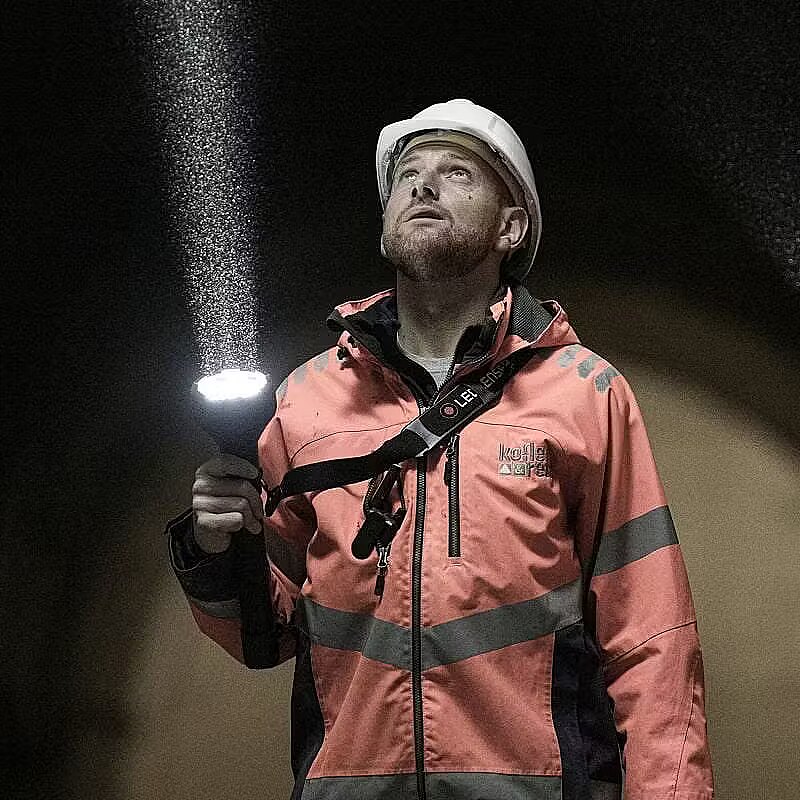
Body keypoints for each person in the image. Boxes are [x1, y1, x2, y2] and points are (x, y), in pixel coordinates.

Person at [168, 99, 714, 800]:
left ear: (510, 227)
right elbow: (263, 636)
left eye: (457, 172)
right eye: (407, 176)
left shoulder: (585, 393)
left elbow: (654, 642)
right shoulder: (306, 399)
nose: (423, 185)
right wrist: (216, 549)